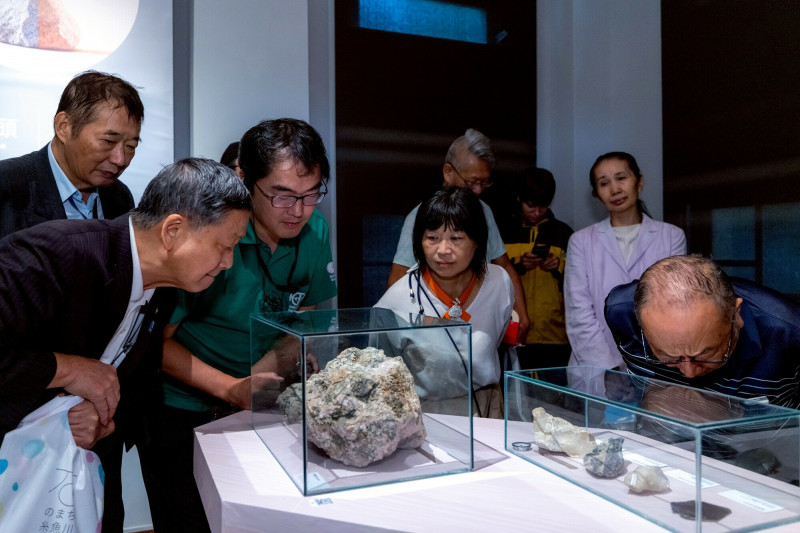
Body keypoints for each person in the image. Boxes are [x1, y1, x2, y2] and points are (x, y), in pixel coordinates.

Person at [0, 157, 251, 532]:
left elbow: (143, 379)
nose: (228, 262)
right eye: (223, 245)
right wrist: (67, 369)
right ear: (173, 231)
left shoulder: (166, 286)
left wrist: (106, 421)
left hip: (82, 474)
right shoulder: (60, 253)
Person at [141, 118, 337, 533]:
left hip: (258, 403)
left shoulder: (315, 232)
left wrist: (293, 354)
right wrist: (230, 388)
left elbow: (303, 313)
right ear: (244, 179)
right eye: (282, 196)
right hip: (183, 409)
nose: (298, 212)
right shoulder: (208, 234)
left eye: (311, 195)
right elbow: (155, 343)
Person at [376, 186, 515, 419]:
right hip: (426, 412)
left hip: (487, 407)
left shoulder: (499, 282)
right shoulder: (397, 299)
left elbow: (497, 338)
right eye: (432, 238)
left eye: (456, 238)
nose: (443, 250)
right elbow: (384, 373)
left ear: (478, 241)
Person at [386, 128, 529, 342]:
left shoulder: (484, 211)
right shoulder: (421, 216)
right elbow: (398, 279)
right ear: (448, 172)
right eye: (472, 182)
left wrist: (521, 312)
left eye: (484, 182)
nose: (479, 190)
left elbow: (504, 264)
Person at [605, 254, 800, 409]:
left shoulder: (789, 332)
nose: (689, 373)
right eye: (668, 357)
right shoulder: (621, 314)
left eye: (706, 354)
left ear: (736, 316)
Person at [564, 151, 686, 370]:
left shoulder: (671, 237)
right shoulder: (580, 242)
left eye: (621, 178)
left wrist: (652, 361)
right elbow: (579, 313)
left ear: (639, 182)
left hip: (657, 365)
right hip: (595, 368)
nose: (615, 189)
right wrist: (608, 369)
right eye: (604, 183)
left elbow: (675, 303)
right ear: (597, 193)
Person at [0, 70, 143, 239]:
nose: (120, 159)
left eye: (131, 146)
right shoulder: (6, 185)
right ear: (64, 127)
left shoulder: (120, 197)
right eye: (109, 141)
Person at [505, 168, 573, 369]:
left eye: (543, 207)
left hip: (555, 334)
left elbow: (581, 281)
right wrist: (518, 265)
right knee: (518, 396)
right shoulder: (504, 231)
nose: (536, 213)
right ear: (519, 199)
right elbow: (491, 276)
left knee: (553, 396)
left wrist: (558, 265)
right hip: (514, 331)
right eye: (531, 206)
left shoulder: (563, 234)